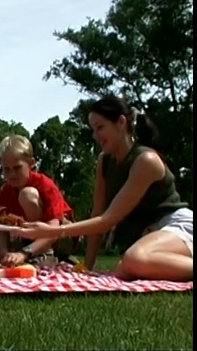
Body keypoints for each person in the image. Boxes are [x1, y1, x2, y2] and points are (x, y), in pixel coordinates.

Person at [11, 95, 193, 282]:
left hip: (177, 226)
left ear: (121, 122)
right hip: (153, 234)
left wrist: (52, 232)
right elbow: (97, 214)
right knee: (125, 268)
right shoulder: (104, 161)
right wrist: (87, 268)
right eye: (93, 129)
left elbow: (108, 220)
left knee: (134, 260)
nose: (95, 136)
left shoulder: (146, 161)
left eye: (100, 128)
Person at [0, 135, 77, 266]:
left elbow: (54, 230)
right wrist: (4, 254)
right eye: (6, 169)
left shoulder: (45, 185)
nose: (12, 174)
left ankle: (46, 254)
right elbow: (2, 228)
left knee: (27, 195)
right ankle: (32, 252)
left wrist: (25, 253)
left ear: (31, 163)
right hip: (27, 236)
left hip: (61, 234)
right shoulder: (5, 191)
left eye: (17, 168)